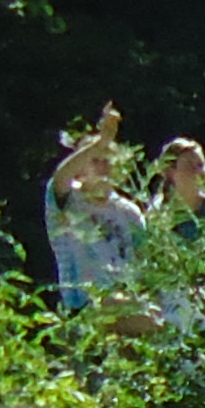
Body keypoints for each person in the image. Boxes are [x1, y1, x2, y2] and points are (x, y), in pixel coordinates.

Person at [45, 107, 142, 316]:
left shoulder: (129, 212)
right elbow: (61, 177)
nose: (103, 166)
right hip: (85, 307)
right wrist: (100, 142)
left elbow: (145, 262)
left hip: (130, 303)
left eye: (107, 160)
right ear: (80, 168)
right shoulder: (68, 201)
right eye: (95, 160)